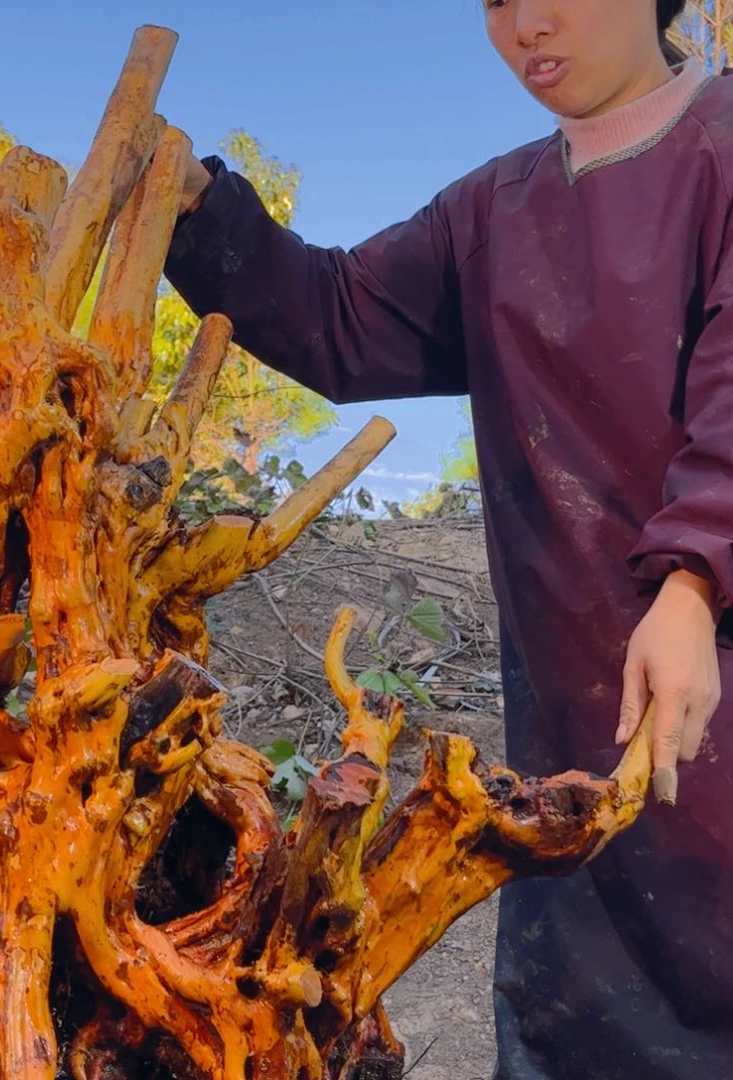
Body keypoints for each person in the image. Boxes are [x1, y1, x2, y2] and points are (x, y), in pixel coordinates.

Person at [164, 1, 733, 1077]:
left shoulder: (724, 147)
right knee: (581, 1000)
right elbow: (336, 315)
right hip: (571, 702)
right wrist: (197, 207)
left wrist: (697, 580)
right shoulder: (491, 213)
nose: (528, 23)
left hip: (709, 653)